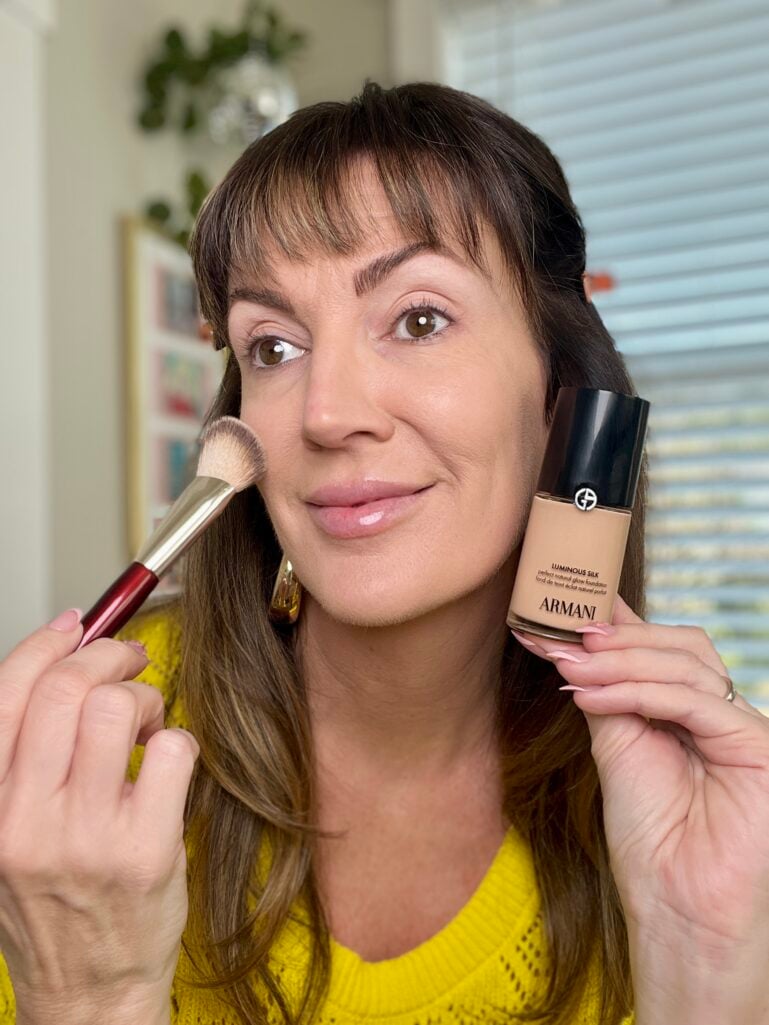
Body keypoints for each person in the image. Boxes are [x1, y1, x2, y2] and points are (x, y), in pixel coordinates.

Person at [1, 80, 768, 1025]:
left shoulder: (697, 817)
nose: (327, 413)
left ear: (557, 394)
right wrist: (89, 994)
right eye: (273, 347)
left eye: (417, 319)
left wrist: (705, 970)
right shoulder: (81, 766)